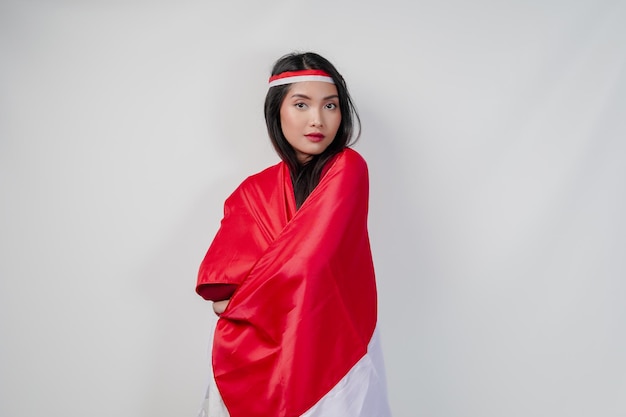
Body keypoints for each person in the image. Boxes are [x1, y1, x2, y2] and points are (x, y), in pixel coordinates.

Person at [196, 52, 392, 417]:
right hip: (250, 363)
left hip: (333, 360)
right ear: (277, 111)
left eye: (330, 105)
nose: (317, 119)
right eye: (301, 104)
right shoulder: (252, 192)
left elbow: (308, 264)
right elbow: (220, 295)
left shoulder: (348, 169)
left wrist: (252, 294)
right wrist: (274, 292)